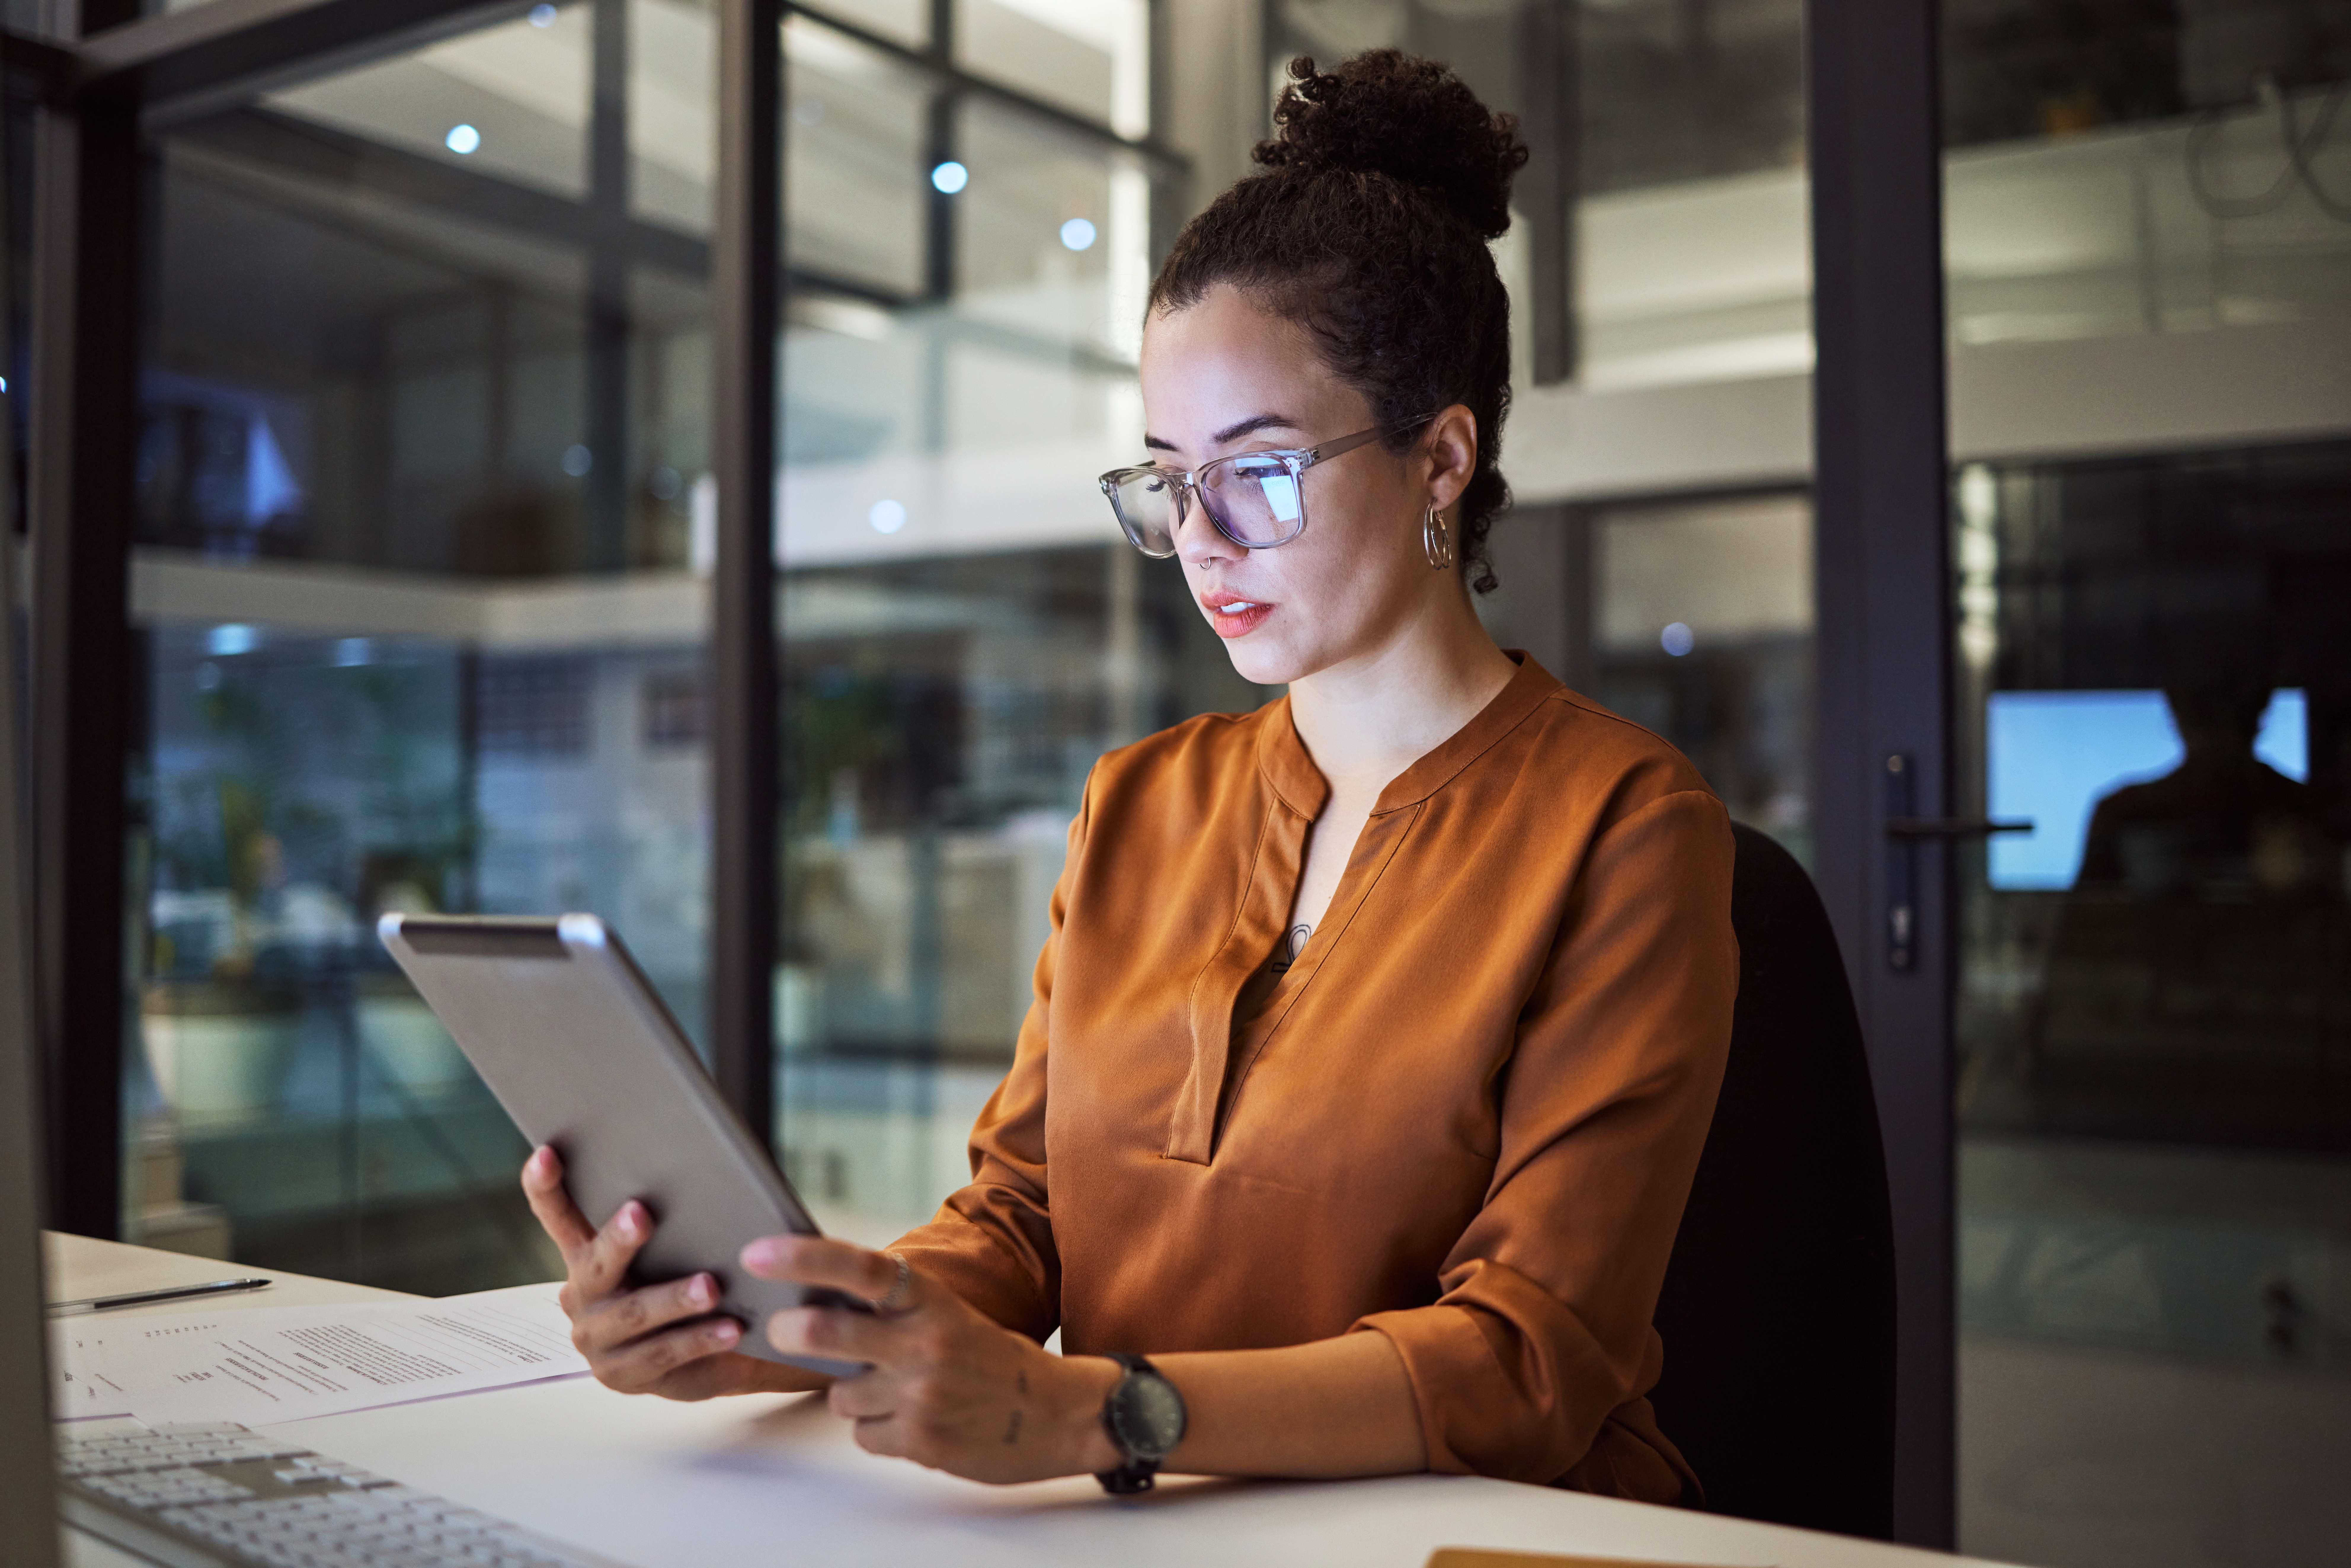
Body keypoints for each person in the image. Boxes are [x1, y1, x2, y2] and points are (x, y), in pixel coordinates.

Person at [522, 51, 1738, 1502]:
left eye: (1262, 469)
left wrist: (1098, 1417)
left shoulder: (1625, 827)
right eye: (1169, 478)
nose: (1206, 539)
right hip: (1146, 1524)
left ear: (1441, 460)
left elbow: (1528, 1357)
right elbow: (1025, 1221)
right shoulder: (1140, 804)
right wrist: (767, 1331)